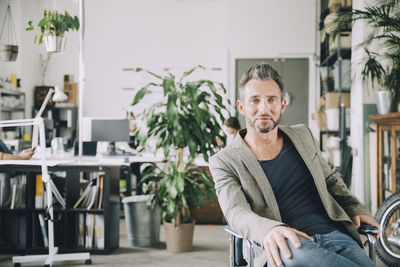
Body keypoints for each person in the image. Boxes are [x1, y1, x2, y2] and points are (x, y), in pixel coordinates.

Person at [209, 63, 379, 267]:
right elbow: (236, 211)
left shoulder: (303, 135)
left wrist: (356, 208)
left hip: (336, 236)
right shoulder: (224, 161)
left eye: (271, 99)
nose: (264, 109)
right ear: (241, 106)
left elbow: (330, 180)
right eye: (255, 100)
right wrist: (269, 230)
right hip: (287, 246)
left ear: (282, 104)